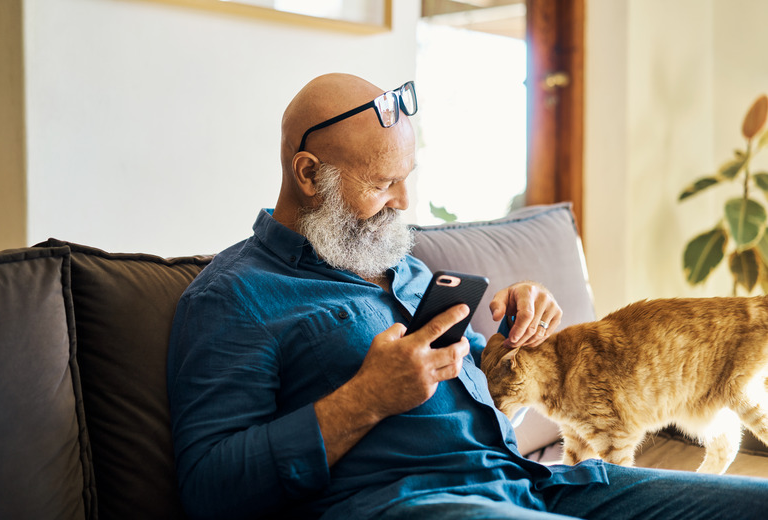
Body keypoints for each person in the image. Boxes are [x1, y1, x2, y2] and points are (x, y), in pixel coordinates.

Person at [167, 73, 768, 520]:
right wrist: (363, 400)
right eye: (383, 184)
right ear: (307, 174)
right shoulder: (235, 296)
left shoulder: (395, 261)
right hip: (412, 503)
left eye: (408, 177)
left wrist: (518, 335)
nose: (405, 202)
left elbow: (469, 375)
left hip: (535, 484)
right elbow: (209, 488)